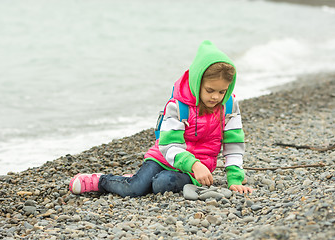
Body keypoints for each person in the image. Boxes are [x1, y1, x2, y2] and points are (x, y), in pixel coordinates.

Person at [69, 40, 254, 197]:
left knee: (162, 185)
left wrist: (235, 179)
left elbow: (233, 145)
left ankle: (140, 178)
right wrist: (194, 163)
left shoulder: (228, 107)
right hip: (165, 157)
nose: (215, 97)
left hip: (198, 168)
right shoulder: (178, 106)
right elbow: (168, 145)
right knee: (135, 189)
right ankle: (101, 181)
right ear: (197, 82)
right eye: (210, 90)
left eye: (222, 91)